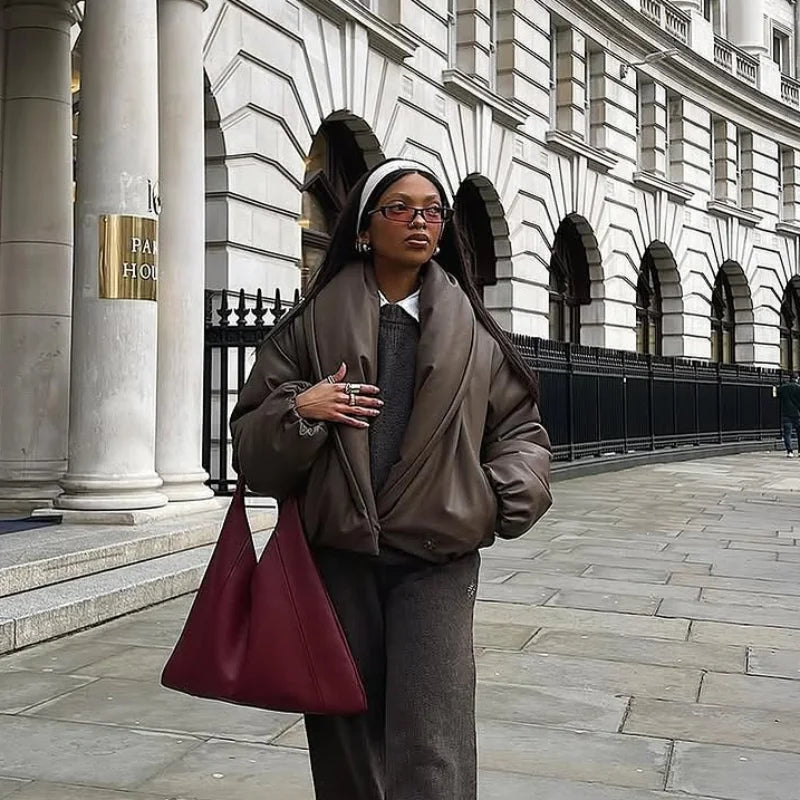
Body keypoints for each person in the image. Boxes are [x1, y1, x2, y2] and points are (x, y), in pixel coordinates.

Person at [230, 158, 552, 800]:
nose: (419, 221)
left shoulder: (477, 332)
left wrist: (489, 499)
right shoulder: (308, 325)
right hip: (337, 558)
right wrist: (301, 411)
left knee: (433, 738)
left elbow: (522, 434)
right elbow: (250, 448)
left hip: (437, 555)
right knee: (344, 727)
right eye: (399, 208)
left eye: (432, 210)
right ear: (363, 227)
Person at [778, 373, 800, 457]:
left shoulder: (783, 387)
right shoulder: (798, 388)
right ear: (796, 378)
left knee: (787, 433)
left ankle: (790, 451)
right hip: (797, 414)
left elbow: (776, 395)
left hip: (786, 413)